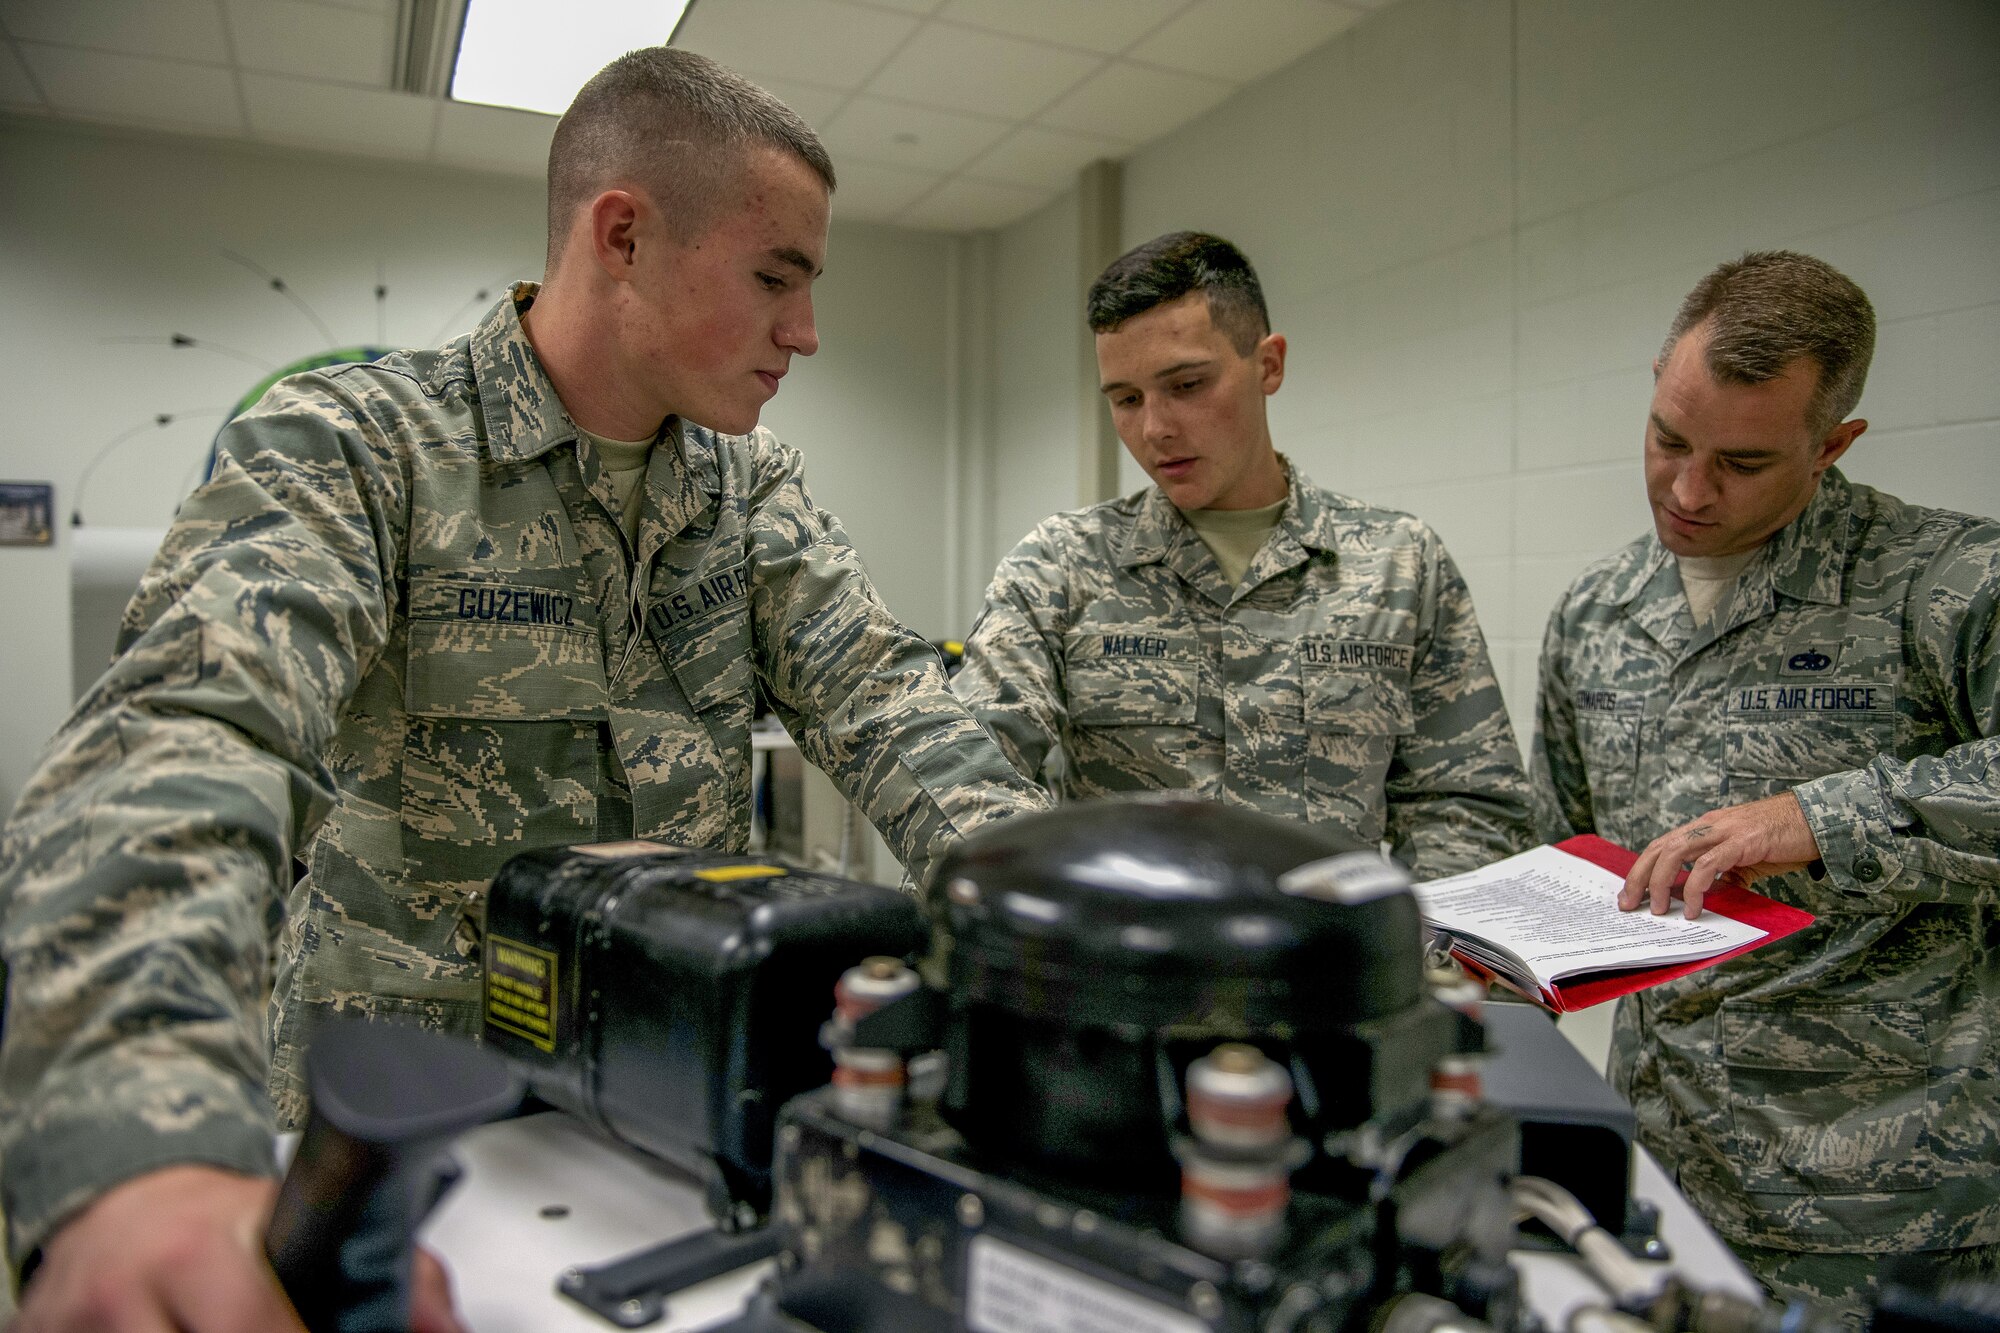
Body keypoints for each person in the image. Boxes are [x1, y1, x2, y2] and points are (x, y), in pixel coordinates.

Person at [0, 48, 1049, 1329]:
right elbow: (182, 734)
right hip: (401, 1139)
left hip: (661, 1128)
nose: (806, 333)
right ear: (622, 236)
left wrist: (1074, 943)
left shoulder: (749, 494)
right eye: (776, 277)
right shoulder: (362, 447)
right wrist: (139, 1131)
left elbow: (898, 715)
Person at [1530, 250, 1999, 1318]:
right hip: (1654, 1181)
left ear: (1831, 444)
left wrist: (1819, 817)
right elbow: (1558, 843)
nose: (1688, 491)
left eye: (1740, 462)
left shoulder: (1946, 584)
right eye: (1666, 439)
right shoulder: (1596, 609)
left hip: (1879, 1217)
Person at [953, 231, 1532, 879]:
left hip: (1334, 968)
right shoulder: (1061, 567)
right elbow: (974, 779)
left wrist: (1408, 959)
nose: (1155, 428)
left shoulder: (1400, 567)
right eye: (1126, 399)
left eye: (1187, 384)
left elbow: (1468, 807)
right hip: (1131, 965)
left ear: (1268, 364)